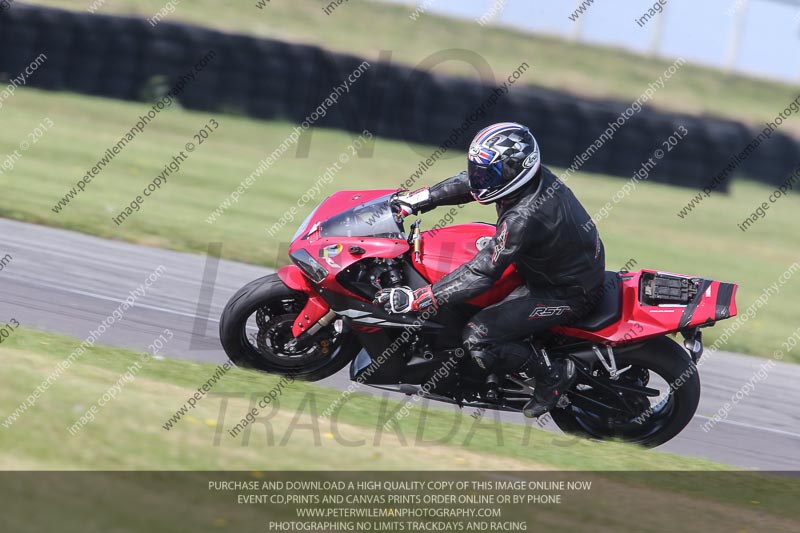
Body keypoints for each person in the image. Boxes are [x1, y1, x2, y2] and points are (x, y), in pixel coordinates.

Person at [373, 122, 606, 417]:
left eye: (489, 172)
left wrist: (418, 299)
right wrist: (415, 200)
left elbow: (483, 274)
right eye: (478, 169)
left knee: (478, 335)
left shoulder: (522, 217)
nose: (479, 177)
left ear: (516, 171)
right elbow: (471, 183)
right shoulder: (527, 183)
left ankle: (553, 374)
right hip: (551, 265)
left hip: (565, 292)